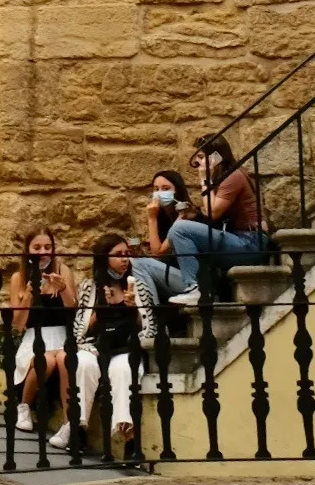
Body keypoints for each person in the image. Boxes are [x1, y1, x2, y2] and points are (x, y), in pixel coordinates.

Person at [75, 233, 156, 463]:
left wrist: (133, 309)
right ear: (104, 258)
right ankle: (78, 430)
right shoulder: (90, 288)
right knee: (83, 364)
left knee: (124, 369)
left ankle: (130, 439)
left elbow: (149, 328)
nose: (125, 259)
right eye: (118, 255)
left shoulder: (138, 287)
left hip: (125, 347)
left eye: (127, 254)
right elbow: (80, 330)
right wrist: (101, 309)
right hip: (96, 347)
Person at [163, 133, 265, 298]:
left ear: (216, 157)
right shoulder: (223, 178)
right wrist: (196, 213)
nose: (198, 163)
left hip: (251, 242)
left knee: (180, 229)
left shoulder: (233, 176)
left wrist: (204, 179)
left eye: (201, 157)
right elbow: (210, 212)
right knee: (181, 232)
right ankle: (202, 288)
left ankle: (196, 288)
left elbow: (213, 213)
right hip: (240, 238)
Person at [4, 227, 77, 447]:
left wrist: (63, 289)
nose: (43, 252)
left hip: (61, 336)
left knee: (62, 358)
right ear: (28, 250)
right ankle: (24, 405)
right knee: (46, 360)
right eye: (37, 247)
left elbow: (72, 310)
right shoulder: (19, 278)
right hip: (34, 338)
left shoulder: (63, 270)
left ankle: (68, 425)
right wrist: (28, 295)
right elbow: (18, 324)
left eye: (47, 247)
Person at [131, 167, 200, 313]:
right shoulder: (163, 217)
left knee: (139, 263)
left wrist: (151, 219)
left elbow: (159, 252)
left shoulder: (187, 214)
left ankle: (152, 314)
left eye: (166, 188)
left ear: (177, 191)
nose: (159, 193)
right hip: (174, 275)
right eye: (156, 189)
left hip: (195, 282)